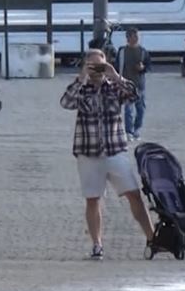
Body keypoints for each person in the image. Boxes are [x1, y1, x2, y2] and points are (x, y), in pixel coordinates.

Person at [59, 49, 155, 259]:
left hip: (115, 150)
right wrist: (81, 78)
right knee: (92, 200)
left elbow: (133, 95)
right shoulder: (81, 89)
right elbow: (66, 102)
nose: (96, 70)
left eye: (99, 65)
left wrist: (114, 74)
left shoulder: (113, 87)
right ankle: (97, 245)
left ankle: (152, 238)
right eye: (92, 66)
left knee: (134, 195)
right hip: (88, 153)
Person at [117, 27, 151, 140]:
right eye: (134, 36)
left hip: (140, 84)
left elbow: (149, 66)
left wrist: (143, 68)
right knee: (128, 109)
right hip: (126, 85)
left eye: (137, 36)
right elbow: (117, 67)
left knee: (141, 109)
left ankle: (137, 128)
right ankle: (129, 131)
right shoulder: (122, 51)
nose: (136, 38)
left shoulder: (143, 51)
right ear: (128, 38)